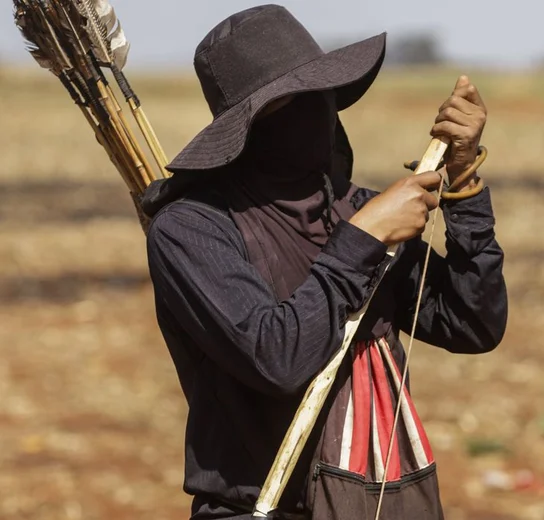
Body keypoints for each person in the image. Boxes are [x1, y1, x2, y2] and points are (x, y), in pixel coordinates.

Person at [140, 5, 507, 519]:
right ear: (248, 127)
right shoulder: (192, 228)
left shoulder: (352, 208)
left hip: (374, 498)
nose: (314, 115)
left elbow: (472, 324)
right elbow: (277, 358)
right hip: (259, 508)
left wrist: (464, 188)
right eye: (290, 103)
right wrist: (362, 242)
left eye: (321, 96)